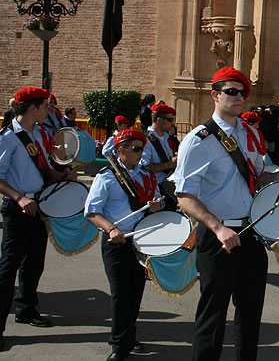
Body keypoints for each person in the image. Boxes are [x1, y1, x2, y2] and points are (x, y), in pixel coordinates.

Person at [173, 67, 279, 360]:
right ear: (215, 95)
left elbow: (255, 178)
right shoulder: (198, 140)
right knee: (212, 315)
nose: (239, 97)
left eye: (242, 92)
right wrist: (218, 229)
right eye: (231, 91)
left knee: (251, 312)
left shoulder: (251, 134)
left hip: (251, 234)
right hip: (218, 236)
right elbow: (184, 196)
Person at [0, 87, 78, 351]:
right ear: (31, 108)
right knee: (8, 267)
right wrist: (19, 198)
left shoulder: (42, 134)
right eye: (45, 105)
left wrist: (64, 176)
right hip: (18, 208)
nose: (50, 109)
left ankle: (26, 309)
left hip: (40, 204)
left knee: (34, 263)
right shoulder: (9, 137)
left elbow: (45, 170)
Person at [85, 129, 163, 361]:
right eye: (136, 149)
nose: (141, 153)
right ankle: (119, 344)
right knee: (121, 293)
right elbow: (91, 212)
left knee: (136, 291)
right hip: (116, 241)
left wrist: (155, 206)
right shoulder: (107, 176)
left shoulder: (146, 176)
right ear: (120, 150)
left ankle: (129, 335)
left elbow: (156, 198)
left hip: (140, 242)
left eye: (142, 148)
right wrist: (111, 228)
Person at [141, 104, 178, 211]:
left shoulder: (166, 137)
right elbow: (145, 167)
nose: (173, 123)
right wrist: (168, 165)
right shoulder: (146, 140)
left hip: (168, 186)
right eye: (170, 120)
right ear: (159, 120)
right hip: (155, 189)